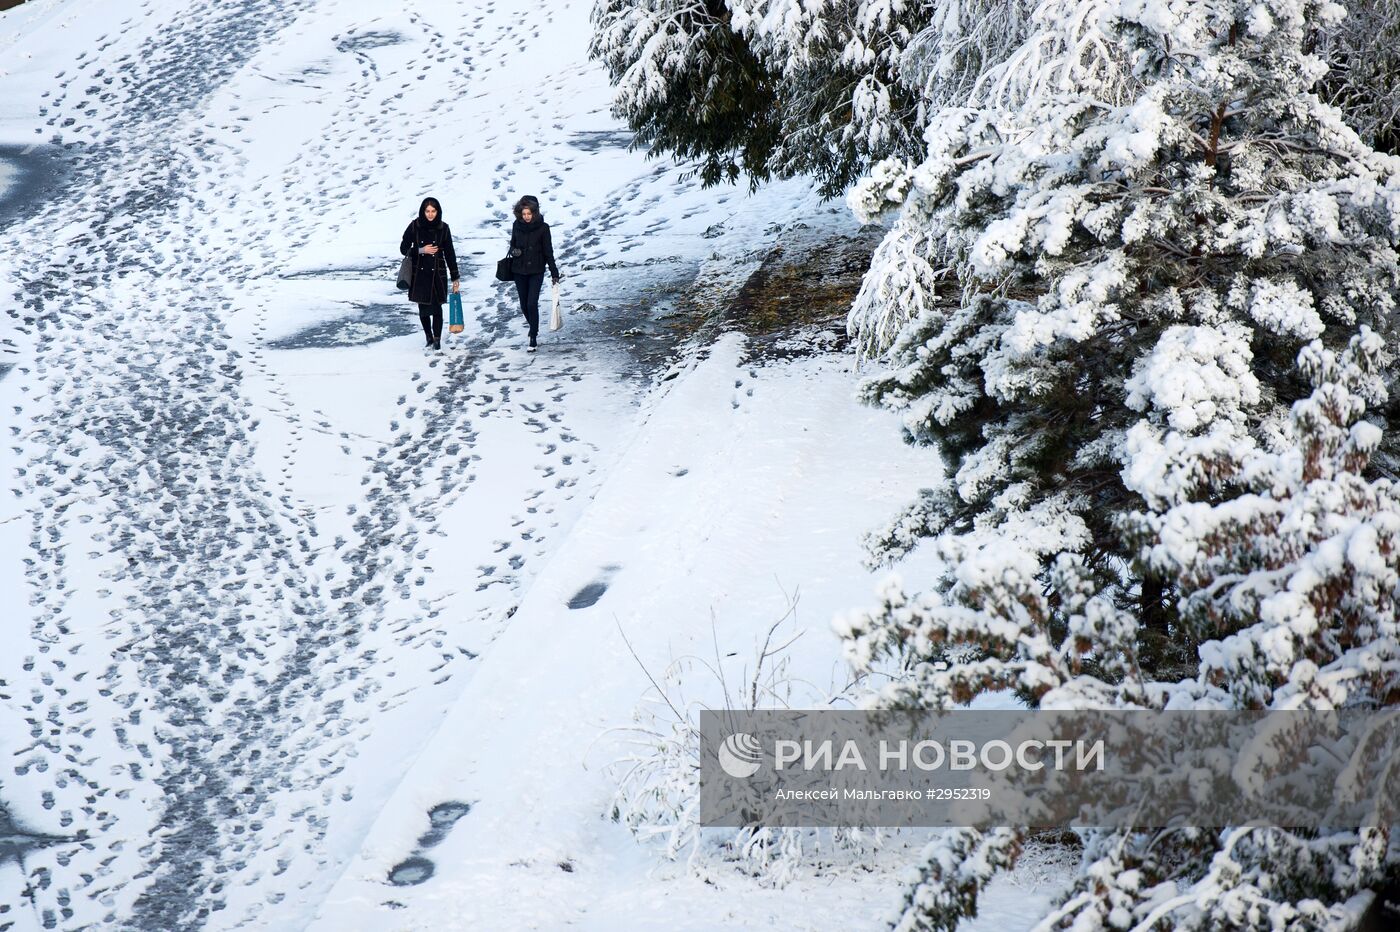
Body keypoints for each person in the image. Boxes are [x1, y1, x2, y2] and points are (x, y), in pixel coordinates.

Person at [400, 197, 460, 351]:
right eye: (427, 211)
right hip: (419, 274)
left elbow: (450, 253)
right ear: (423, 211)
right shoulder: (415, 226)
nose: (430, 214)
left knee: (437, 308)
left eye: (433, 211)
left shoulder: (444, 228)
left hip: (437, 273)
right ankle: (428, 336)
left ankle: (437, 340)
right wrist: (421, 250)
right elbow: (403, 248)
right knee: (423, 308)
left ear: (438, 211)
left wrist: (455, 276)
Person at [507, 195, 561, 352]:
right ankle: (533, 327)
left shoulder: (543, 228)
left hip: (536, 270)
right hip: (519, 270)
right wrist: (515, 251)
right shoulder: (517, 225)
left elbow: (548, 251)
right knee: (524, 305)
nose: (526, 217)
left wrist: (554, 272)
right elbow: (512, 245)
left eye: (529, 214)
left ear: (535, 213)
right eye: (523, 214)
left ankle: (533, 336)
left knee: (532, 303)